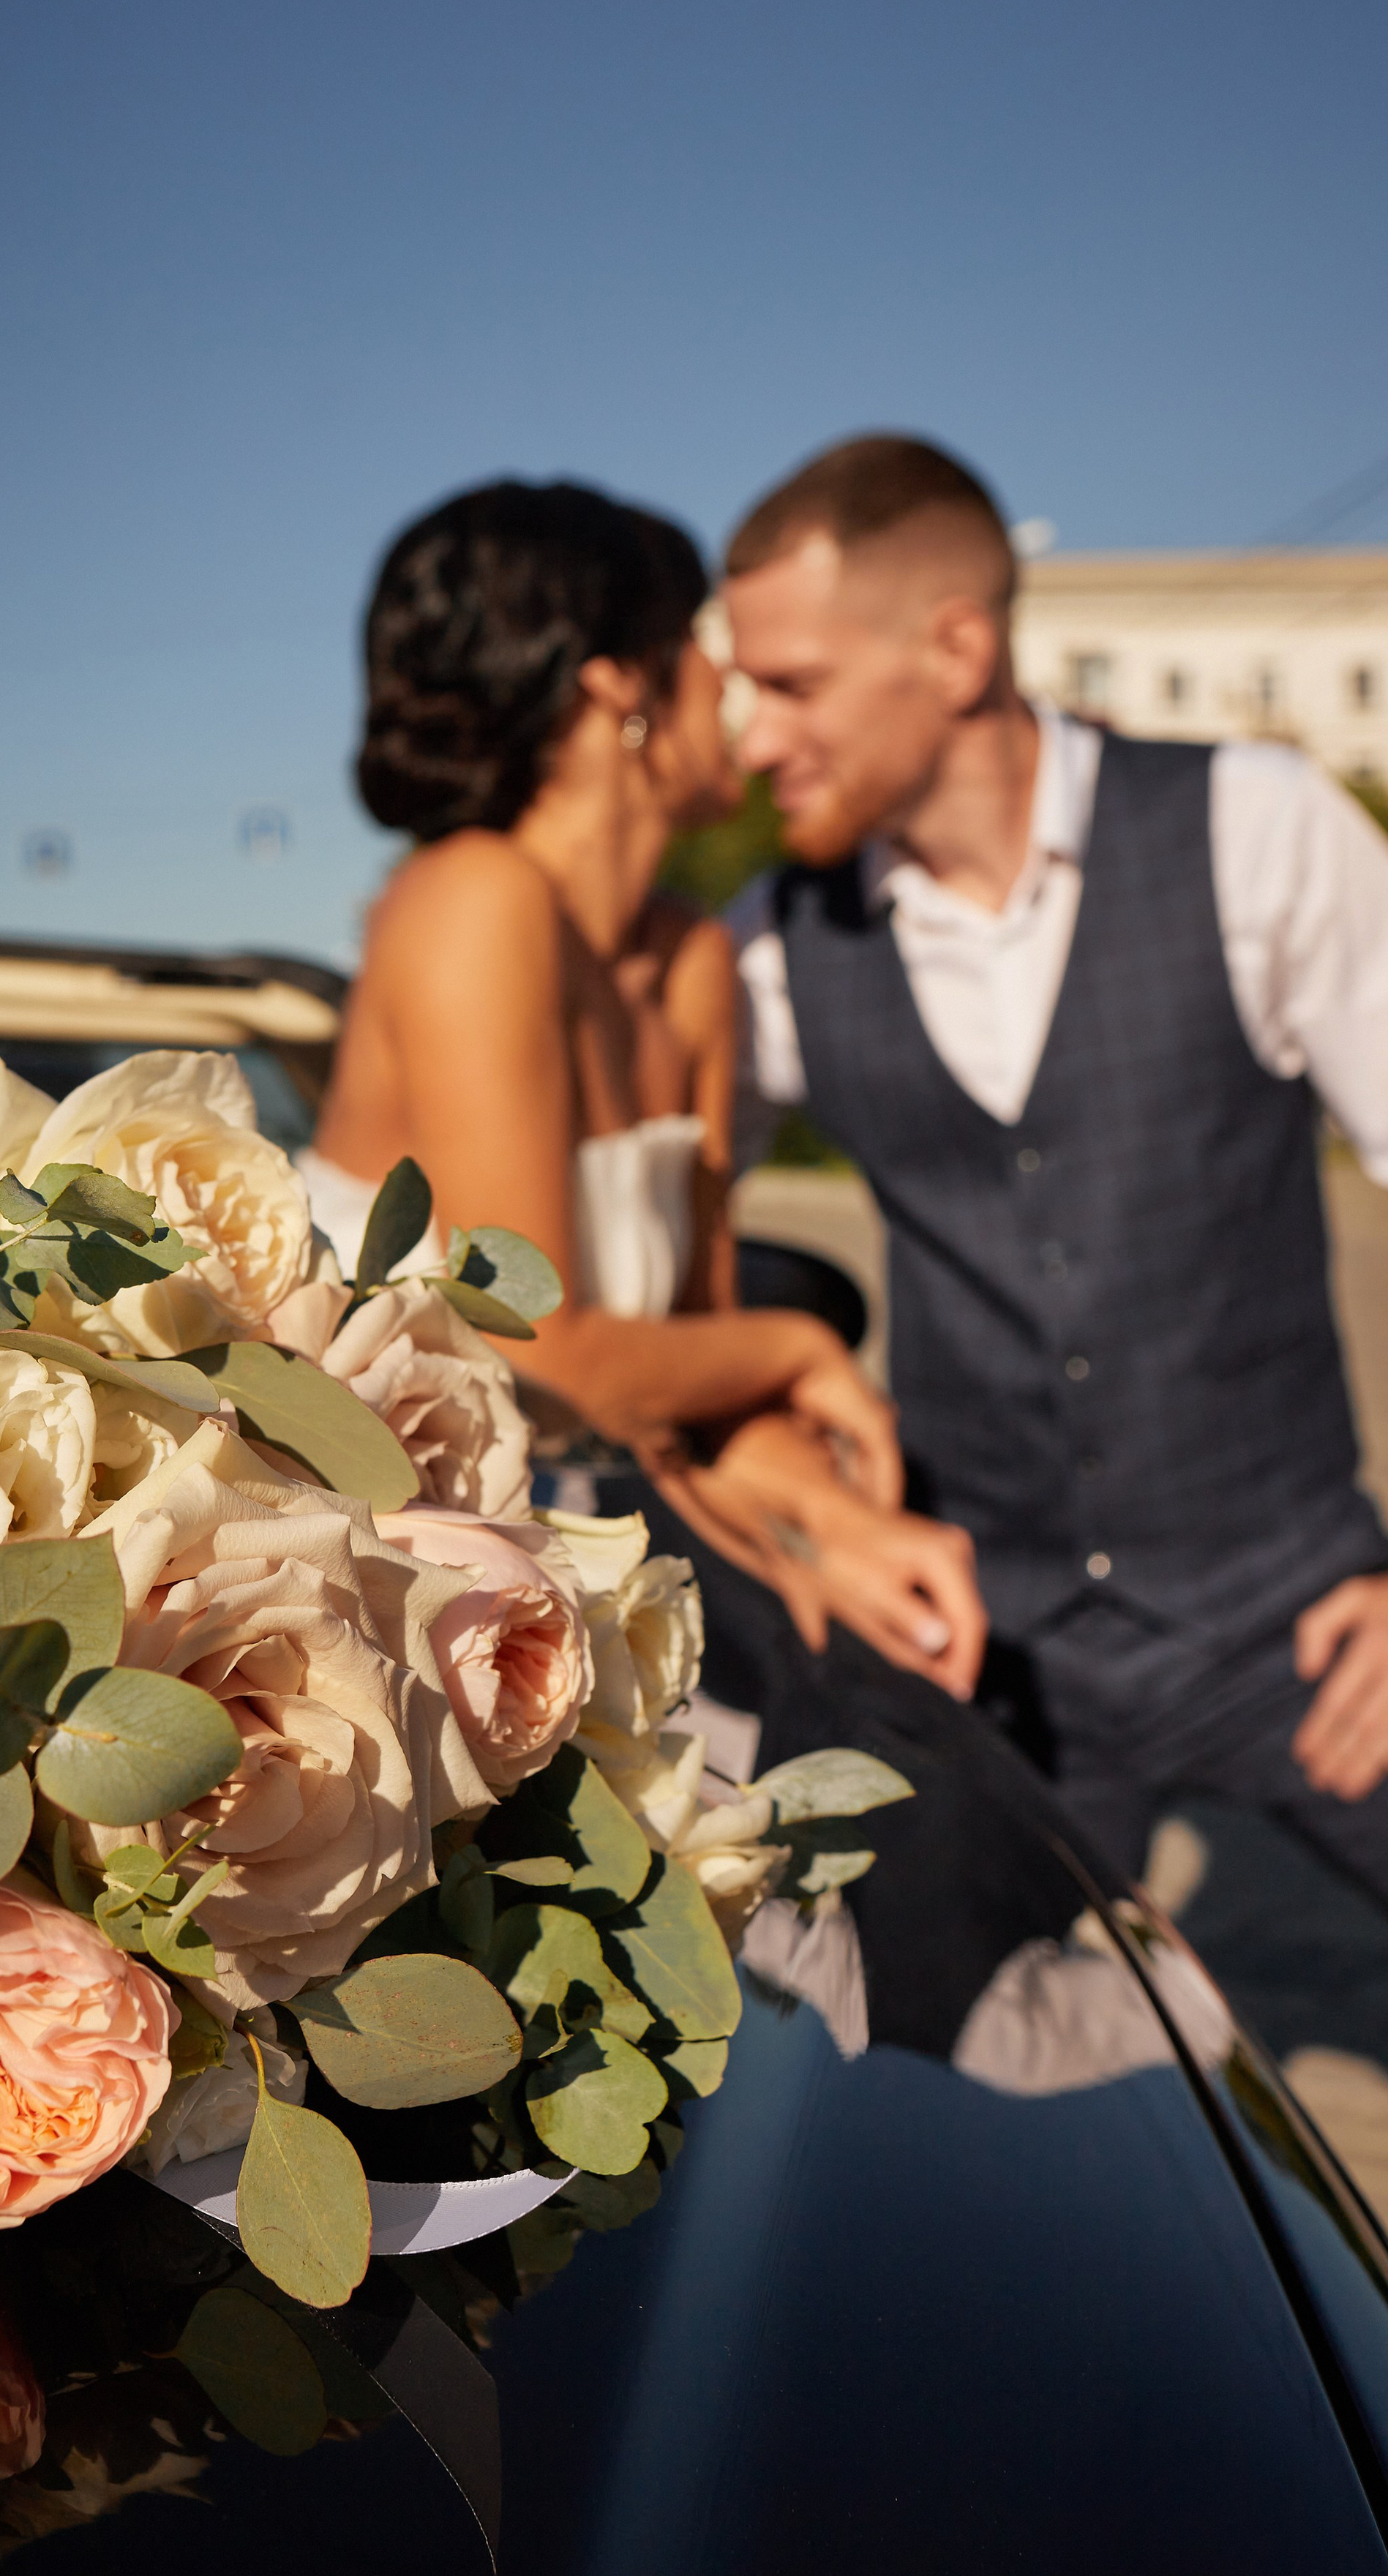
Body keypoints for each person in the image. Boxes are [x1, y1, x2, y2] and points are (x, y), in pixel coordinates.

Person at [724, 429, 1388, 2019]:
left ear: (953, 647)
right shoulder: (767, 946)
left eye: (789, 683)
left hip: (1298, 1612)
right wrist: (789, 1465)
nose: (750, 736)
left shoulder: (1254, 825)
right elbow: (640, 1256)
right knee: (884, 2059)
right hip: (985, 1652)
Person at [305, 476, 986, 1691]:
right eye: (699, 651)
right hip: (385, 1597)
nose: (728, 690)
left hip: (585, 1572)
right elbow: (552, 1354)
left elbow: (681, 1373)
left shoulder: (694, 961)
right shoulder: (472, 899)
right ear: (618, 685)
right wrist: (795, 1347)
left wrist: (845, 1531)